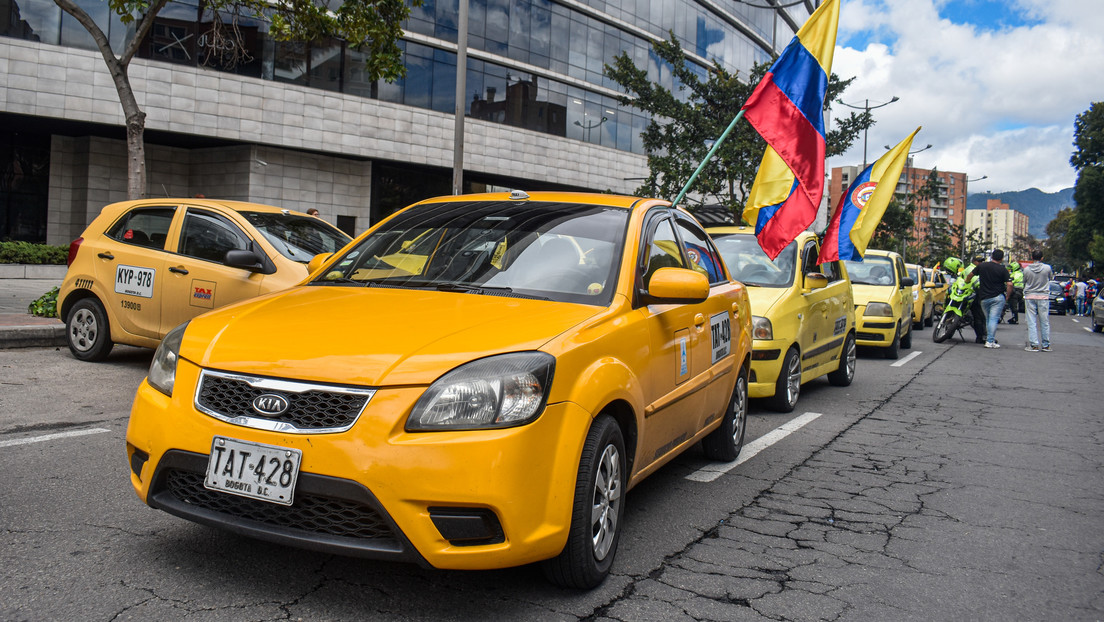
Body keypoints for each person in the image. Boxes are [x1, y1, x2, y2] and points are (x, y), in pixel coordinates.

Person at [974, 249, 1013, 349]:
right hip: (997, 297)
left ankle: (988, 338)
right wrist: (1007, 296)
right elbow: (1009, 284)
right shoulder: (1002, 269)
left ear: (991, 256)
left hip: (984, 298)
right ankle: (990, 341)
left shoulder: (982, 266)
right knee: (993, 319)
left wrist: (966, 281)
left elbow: (970, 275)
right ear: (1001, 258)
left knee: (988, 319)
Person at [1021, 249, 1053, 352]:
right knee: (1044, 321)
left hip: (1030, 296)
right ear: (1042, 258)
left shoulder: (1026, 269)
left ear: (1032, 258)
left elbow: (1024, 281)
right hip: (1043, 296)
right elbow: (1050, 278)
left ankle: (1034, 345)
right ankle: (1046, 345)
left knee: (1031, 321)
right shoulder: (1047, 268)